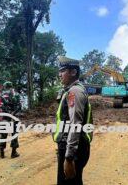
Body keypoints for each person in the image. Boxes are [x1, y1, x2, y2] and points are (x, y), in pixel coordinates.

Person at [53, 56, 93, 185]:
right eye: (59, 71)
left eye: (63, 70)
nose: (60, 74)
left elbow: (75, 124)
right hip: (71, 145)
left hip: (73, 148)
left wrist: (69, 156)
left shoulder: (74, 91)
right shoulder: (72, 90)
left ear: (73, 72)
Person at [0, 81, 20, 158]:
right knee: (14, 134)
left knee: (3, 134)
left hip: (4, 117)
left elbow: (0, 107)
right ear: (11, 86)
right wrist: (13, 114)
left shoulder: (1, 95)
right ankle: (13, 153)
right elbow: (19, 106)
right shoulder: (16, 94)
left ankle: (1, 153)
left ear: (4, 86)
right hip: (14, 116)